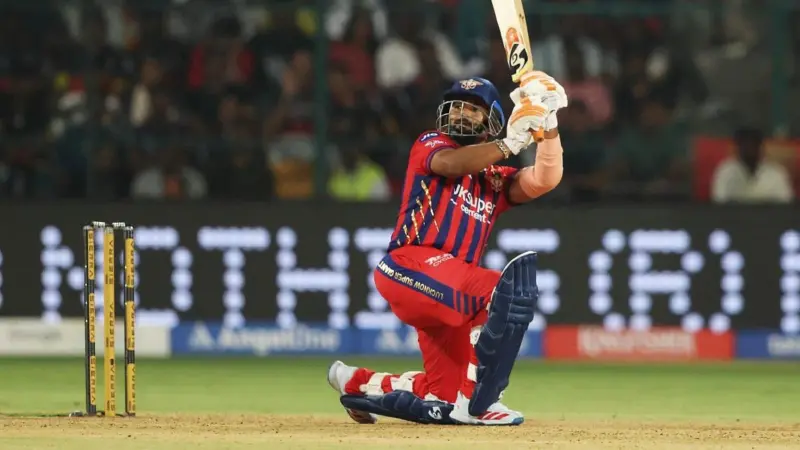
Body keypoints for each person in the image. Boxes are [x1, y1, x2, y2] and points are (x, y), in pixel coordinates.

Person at [326, 72, 568, 426]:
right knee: (501, 289)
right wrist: (511, 143)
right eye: (457, 106)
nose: (461, 113)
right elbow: (452, 165)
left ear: (491, 121)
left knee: (443, 395)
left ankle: (356, 382)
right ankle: (480, 403)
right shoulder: (431, 143)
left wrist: (549, 122)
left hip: (449, 295)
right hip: (409, 266)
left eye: (473, 109)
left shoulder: (494, 179)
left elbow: (546, 178)